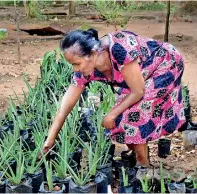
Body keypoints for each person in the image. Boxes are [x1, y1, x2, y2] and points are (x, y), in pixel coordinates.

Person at [41, 28, 186, 167]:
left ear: (92, 53)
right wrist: (49, 141)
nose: (75, 69)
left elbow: (138, 91)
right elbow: (64, 109)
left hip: (166, 63)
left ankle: (143, 165)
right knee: (121, 118)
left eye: (76, 64)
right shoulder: (84, 71)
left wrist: (111, 114)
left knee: (133, 115)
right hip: (141, 73)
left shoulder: (119, 50)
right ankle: (137, 154)